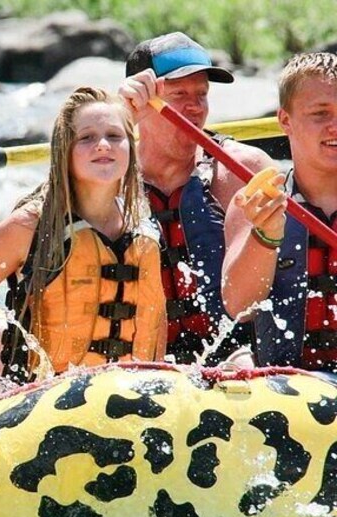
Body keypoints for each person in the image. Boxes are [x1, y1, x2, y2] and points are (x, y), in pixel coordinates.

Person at [0, 87, 166, 382]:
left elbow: (156, 323)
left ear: (130, 147)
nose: (103, 145)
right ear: (65, 149)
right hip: (46, 404)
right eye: (87, 137)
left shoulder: (144, 227)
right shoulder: (27, 227)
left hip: (132, 395)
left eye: (114, 136)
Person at [118, 32, 275, 364]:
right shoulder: (105, 173)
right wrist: (117, 120)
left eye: (201, 94)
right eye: (178, 95)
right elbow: (53, 210)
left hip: (235, 360)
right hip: (137, 363)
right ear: (142, 101)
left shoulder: (240, 169)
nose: (194, 108)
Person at [222, 52, 337, 371]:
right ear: (285, 120)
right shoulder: (255, 201)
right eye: (320, 113)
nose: (335, 126)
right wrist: (265, 236)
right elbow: (240, 307)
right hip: (284, 392)